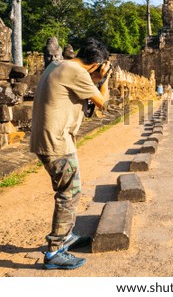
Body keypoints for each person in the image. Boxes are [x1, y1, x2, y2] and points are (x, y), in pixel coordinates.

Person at [30, 37, 111, 270]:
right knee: (69, 193)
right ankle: (55, 251)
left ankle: (67, 236)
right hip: (56, 141)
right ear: (96, 64)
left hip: (49, 138)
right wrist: (104, 79)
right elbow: (103, 103)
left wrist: (95, 77)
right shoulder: (76, 72)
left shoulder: (60, 65)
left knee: (67, 189)